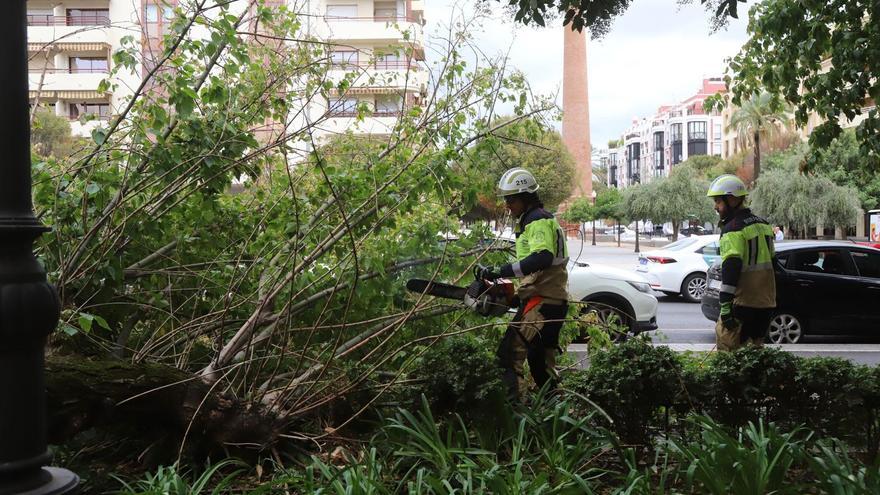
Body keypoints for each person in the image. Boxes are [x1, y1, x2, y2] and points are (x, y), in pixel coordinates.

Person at [477, 167, 569, 401]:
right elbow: (540, 270)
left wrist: (501, 271)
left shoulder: (537, 220)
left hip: (543, 303)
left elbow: (542, 257)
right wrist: (518, 295)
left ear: (525, 197)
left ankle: (517, 415)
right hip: (550, 300)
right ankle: (556, 414)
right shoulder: (536, 219)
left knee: (509, 356)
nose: (508, 205)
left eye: (511, 200)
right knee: (540, 363)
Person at [707, 174, 776, 351]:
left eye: (718, 202)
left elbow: (731, 268)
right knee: (755, 354)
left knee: (729, 352)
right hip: (765, 304)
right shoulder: (764, 225)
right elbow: (773, 263)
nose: (716, 207)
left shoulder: (733, 229)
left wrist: (725, 306)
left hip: (741, 303)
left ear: (731, 199)